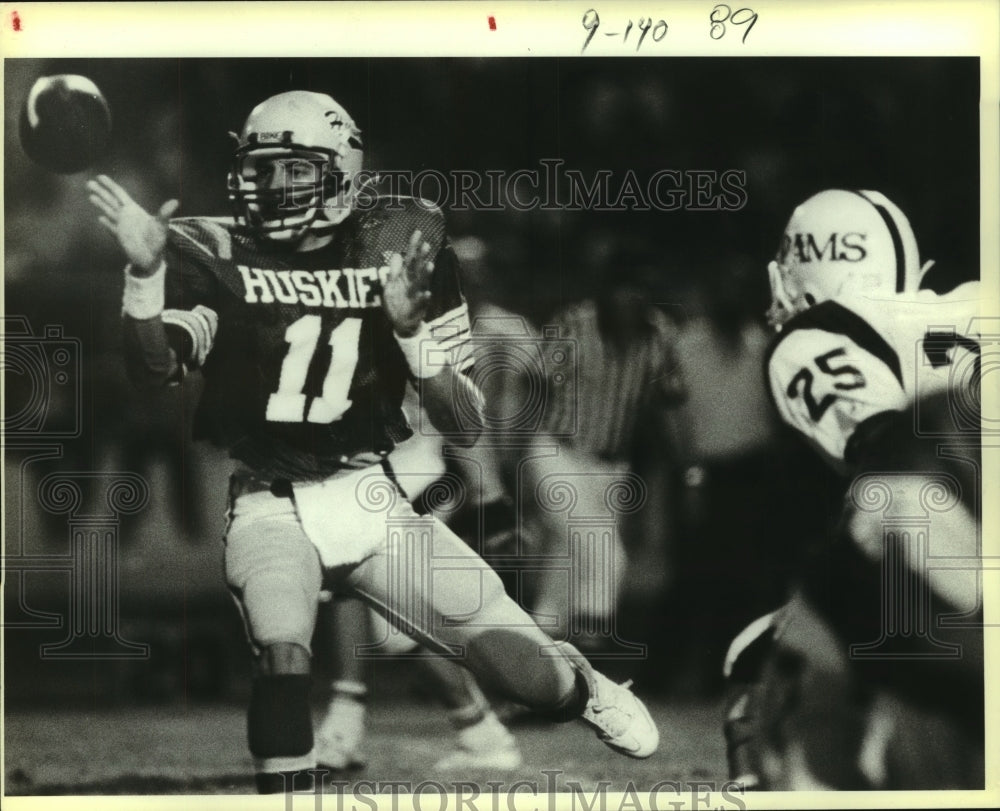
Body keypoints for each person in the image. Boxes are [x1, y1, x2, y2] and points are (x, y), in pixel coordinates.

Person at [87, 90, 658, 793]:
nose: (268, 186)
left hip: (372, 496)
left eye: (290, 170)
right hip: (271, 501)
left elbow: (467, 423)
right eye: (258, 169)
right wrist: (143, 278)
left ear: (340, 172)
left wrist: (414, 335)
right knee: (283, 649)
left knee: (534, 681)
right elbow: (153, 371)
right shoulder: (216, 251)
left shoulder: (400, 242)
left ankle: (583, 683)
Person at [723, 188, 983, 788]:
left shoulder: (812, 337)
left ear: (792, 278)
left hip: (945, 550)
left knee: (763, 661)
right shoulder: (975, 302)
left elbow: (886, 454)